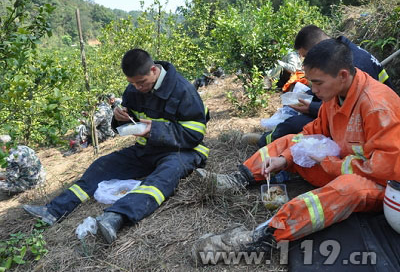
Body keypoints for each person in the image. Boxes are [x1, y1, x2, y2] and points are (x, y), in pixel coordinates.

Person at [192, 39, 400, 264]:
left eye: (318, 83)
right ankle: (238, 179)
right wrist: (285, 158)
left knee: (348, 188)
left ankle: (263, 237)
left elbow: (385, 169)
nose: (314, 90)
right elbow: (314, 131)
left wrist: (330, 163)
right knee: (291, 140)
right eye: (312, 82)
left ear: (342, 75)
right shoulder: (335, 94)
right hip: (342, 164)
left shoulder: (377, 106)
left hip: (383, 186)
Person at [23, 48, 209, 244]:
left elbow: (194, 134)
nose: (136, 88)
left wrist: (155, 130)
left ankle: (115, 217)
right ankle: (54, 210)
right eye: (132, 83)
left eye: (141, 82)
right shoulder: (133, 90)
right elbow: (131, 125)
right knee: (102, 165)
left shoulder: (183, 90)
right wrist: (119, 119)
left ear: (153, 70)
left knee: (164, 175)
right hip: (148, 149)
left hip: (184, 150)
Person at [243, 25, 394, 148]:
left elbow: (348, 108)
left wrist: (312, 108)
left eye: (306, 56)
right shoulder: (341, 51)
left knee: (296, 124)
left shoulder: (354, 64)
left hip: (364, 121)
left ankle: (267, 143)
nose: (305, 61)